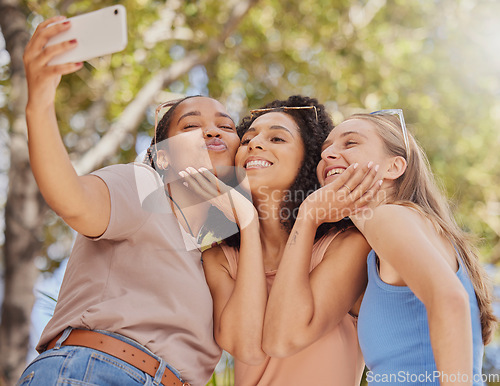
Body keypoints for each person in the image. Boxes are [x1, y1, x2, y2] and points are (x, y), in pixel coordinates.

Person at [18, 16, 240, 386]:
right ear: (164, 156)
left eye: (227, 126)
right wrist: (38, 101)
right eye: (190, 126)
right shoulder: (144, 185)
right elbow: (71, 198)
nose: (212, 129)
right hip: (98, 372)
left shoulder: (226, 243)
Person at [182, 95, 380, 385]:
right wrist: (248, 223)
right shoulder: (218, 258)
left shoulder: (348, 244)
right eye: (248, 139)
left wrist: (309, 216)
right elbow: (245, 347)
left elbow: (289, 336)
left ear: (308, 159)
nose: (255, 144)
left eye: (277, 139)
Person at [317, 110, 497, 385]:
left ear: (394, 167)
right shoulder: (400, 233)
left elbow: (449, 300)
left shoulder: (388, 217)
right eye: (325, 148)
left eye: (350, 143)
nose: (328, 154)